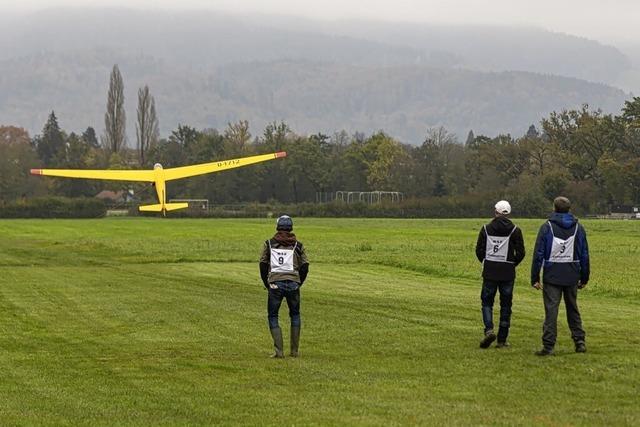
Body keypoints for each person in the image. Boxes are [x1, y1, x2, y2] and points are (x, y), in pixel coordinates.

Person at [531, 196, 590, 356]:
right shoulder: (579, 228)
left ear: (554, 208)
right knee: (573, 309)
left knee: (551, 310)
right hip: (572, 273)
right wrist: (584, 277)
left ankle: (548, 346)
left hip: (552, 275)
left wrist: (534, 277)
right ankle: (579, 341)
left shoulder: (546, 227)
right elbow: (584, 254)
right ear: (569, 209)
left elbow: (538, 254)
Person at [475, 200, 525, 349]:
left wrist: (486, 261)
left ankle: (489, 330)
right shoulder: (515, 230)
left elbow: (479, 250)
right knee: (506, 305)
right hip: (507, 273)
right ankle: (502, 340)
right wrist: (512, 263)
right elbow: (521, 253)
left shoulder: (485, 229)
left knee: (487, 302)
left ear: (495, 212)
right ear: (508, 213)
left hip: (490, 271)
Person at [259, 215, 309, 358]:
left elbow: (262, 264)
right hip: (293, 283)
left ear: (277, 227)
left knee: (273, 316)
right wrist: (299, 282)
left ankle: (279, 352)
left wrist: (266, 283)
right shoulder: (298, 245)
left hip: (275, 283)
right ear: (291, 228)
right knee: (295, 314)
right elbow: (305, 265)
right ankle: (294, 351)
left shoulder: (269, 244)